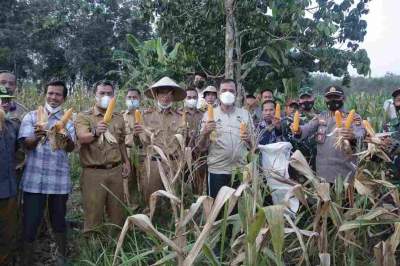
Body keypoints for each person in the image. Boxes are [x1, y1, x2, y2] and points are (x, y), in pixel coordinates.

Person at [18, 80, 75, 265]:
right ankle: (27, 259)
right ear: (45, 94)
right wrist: (39, 134)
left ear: (63, 98)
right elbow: (26, 143)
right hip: (34, 181)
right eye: (50, 93)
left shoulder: (69, 121)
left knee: (58, 219)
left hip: (58, 181)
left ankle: (62, 256)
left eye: (58, 94)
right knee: (31, 222)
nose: (53, 97)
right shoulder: (31, 116)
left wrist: (64, 137)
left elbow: (70, 148)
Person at [75, 80, 131, 234]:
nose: (106, 96)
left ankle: (116, 246)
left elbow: (121, 143)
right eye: (102, 93)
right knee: (94, 213)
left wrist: (126, 162)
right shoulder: (84, 117)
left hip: (115, 170)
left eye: (109, 94)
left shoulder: (119, 118)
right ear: (95, 95)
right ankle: (93, 247)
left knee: (118, 212)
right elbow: (81, 138)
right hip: (93, 172)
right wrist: (95, 132)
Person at [293, 85, 365, 183]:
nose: (332, 100)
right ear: (325, 99)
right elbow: (305, 130)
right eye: (329, 97)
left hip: (345, 175)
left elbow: (360, 135)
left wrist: (352, 136)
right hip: (323, 175)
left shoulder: (354, 117)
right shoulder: (320, 117)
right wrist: (297, 130)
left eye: (336, 97)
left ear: (343, 98)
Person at [133, 77, 186, 204]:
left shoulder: (180, 117)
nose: (166, 97)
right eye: (162, 93)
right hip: (153, 164)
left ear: (173, 97)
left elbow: (183, 142)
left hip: (174, 164)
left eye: (169, 93)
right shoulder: (145, 116)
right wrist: (136, 135)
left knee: (173, 201)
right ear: (156, 95)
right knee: (151, 200)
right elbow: (139, 144)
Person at [198, 79, 253, 198]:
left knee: (238, 212)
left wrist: (249, 139)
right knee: (217, 211)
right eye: (224, 90)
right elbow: (201, 147)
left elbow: (255, 146)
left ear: (236, 93)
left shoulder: (244, 114)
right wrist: (205, 133)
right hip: (217, 171)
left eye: (231, 91)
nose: (228, 93)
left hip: (240, 171)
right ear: (218, 92)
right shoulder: (208, 115)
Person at [0, 86, 20, 265]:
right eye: (0, 99)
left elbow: (18, 153)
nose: (4, 103)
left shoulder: (13, 125)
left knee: (8, 233)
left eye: (6, 100)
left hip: (9, 190)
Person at [180, 87, 207, 194]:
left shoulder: (203, 114)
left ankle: (198, 202)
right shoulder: (179, 114)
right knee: (184, 181)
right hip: (184, 154)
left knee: (199, 181)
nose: (192, 99)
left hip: (200, 154)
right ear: (184, 99)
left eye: (194, 97)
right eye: (189, 97)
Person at [123, 87, 142, 207]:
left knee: (143, 181)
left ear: (140, 99)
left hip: (142, 153)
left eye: (135, 97)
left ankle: (145, 206)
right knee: (129, 181)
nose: (132, 100)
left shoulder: (145, 115)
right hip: (127, 153)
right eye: (129, 97)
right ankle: (131, 207)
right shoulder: (121, 116)